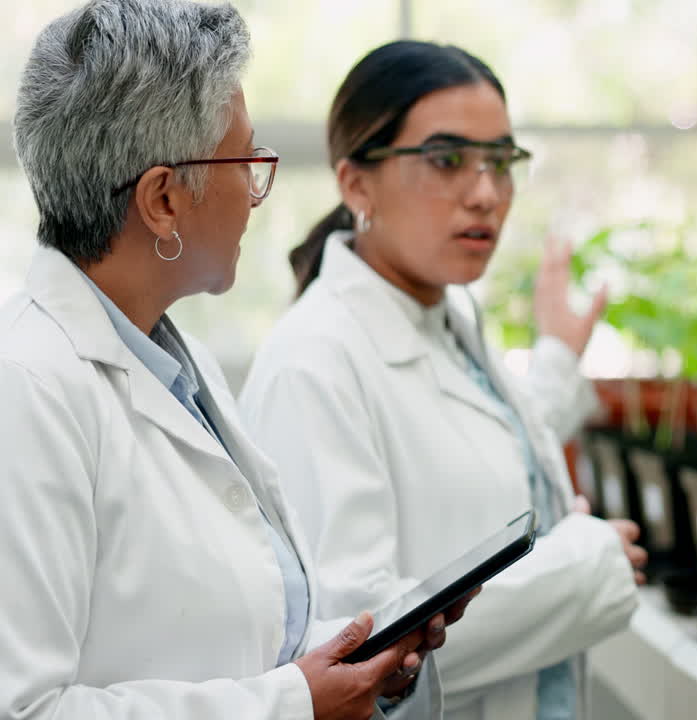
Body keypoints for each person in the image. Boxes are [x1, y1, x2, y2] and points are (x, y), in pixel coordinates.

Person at [0, 3, 470, 719]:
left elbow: (244, 637)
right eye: (246, 161)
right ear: (163, 200)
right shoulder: (26, 388)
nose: (256, 194)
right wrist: (294, 704)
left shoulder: (172, 362)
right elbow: (27, 708)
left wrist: (362, 662)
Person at [239, 41, 645, 720]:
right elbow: (355, 645)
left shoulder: (444, 315)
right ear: (356, 184)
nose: (486, 194)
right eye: (447, 160)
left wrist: (554, 358)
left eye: (501, 162)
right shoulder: (312, 363)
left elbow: (470, 459)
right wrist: (583, 570)